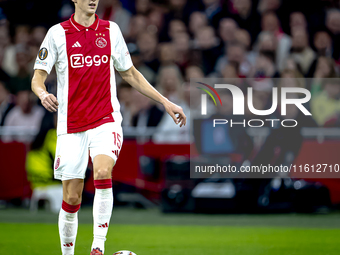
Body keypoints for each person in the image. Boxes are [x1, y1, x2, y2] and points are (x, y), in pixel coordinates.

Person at [31, 1, 186, 255]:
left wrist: (165, 101)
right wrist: (42, 93)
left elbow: (131, 73)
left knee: (103, 172)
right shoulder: (57, 34)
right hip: (71, 126)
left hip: (106, 119)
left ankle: (97, 247)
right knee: (72, 198)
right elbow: (38, 75)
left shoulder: (111, 30)